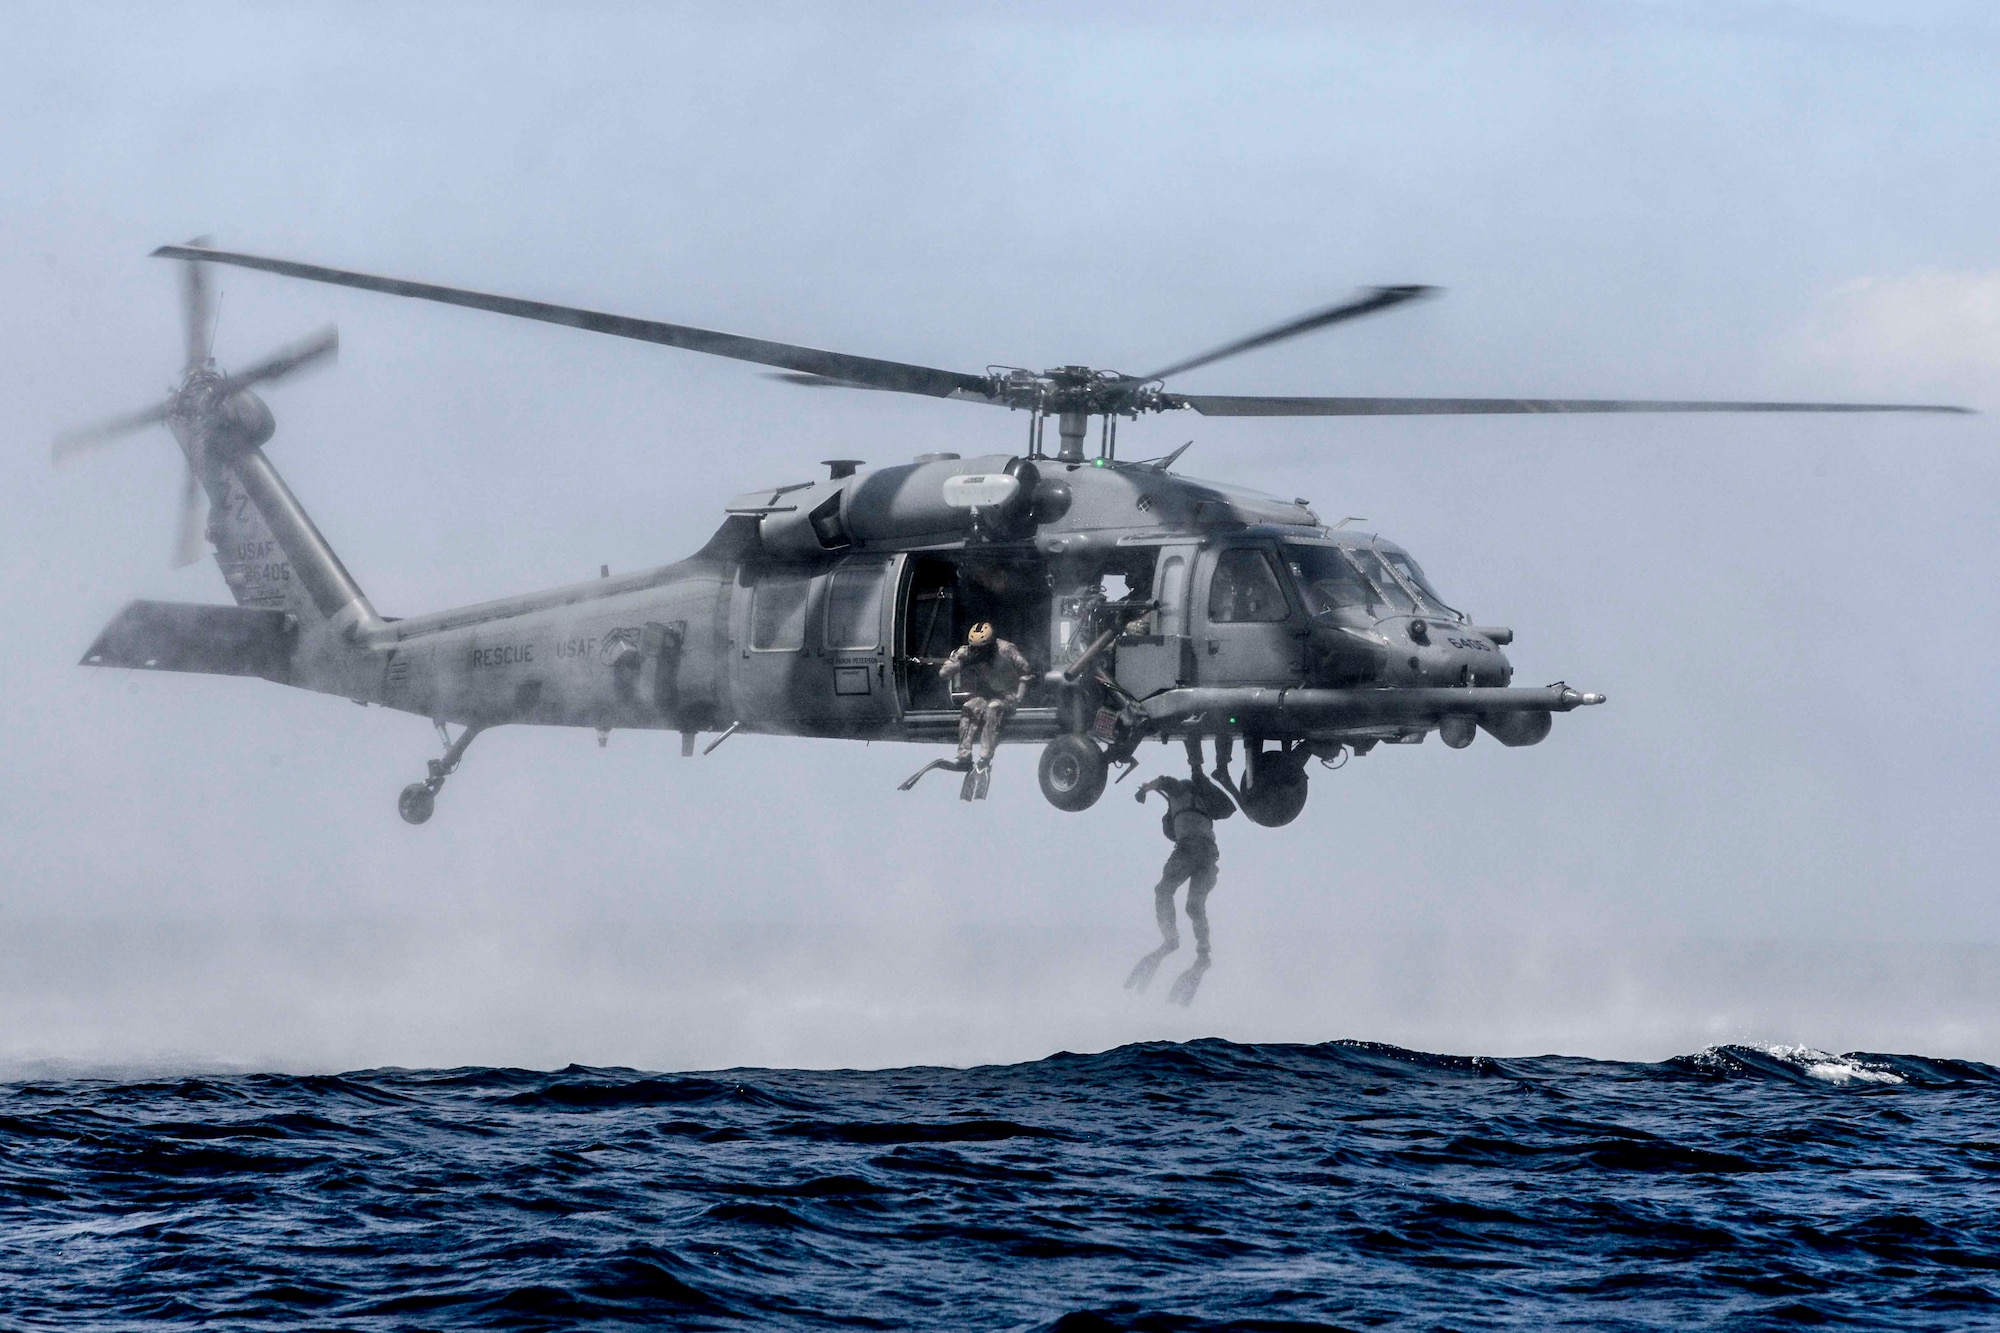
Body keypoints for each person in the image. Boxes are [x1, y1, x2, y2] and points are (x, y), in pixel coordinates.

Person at [1128, 737, 1235, 1005]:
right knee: (1194, 906)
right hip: (1210, 857)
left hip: (1190, 850)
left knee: (1163, 890)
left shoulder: (1180, 792)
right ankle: (1203, 955)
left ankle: (1171, 940)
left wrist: (1146, 788)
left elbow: (1166, 781)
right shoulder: (1202, 805)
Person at [939, 621, 1034, 773]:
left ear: (991, 645)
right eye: (975, 649)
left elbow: (1026, 672)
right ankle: (964, 756)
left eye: (982, 649)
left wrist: (1019, 697)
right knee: (969, 707)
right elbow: (943, 673)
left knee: (992, 708)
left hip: (1008, 695)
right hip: (988, 694)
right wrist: (965, 663)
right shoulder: (967, 652)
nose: (979, 652)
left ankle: (985, 757)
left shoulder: (1005, 649)